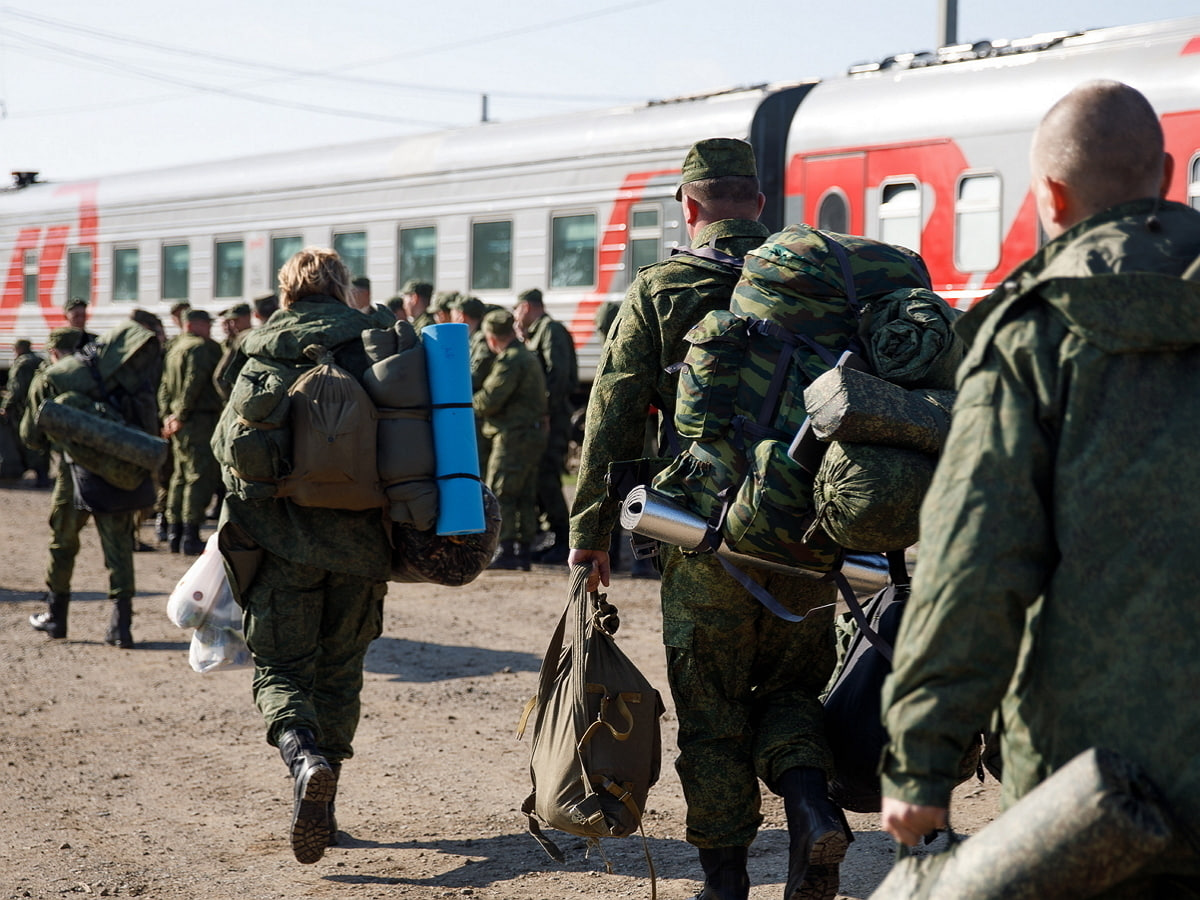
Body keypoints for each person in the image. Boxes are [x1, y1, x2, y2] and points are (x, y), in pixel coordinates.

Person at [878, 81, 1200, 896]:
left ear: (1051, 195)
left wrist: (921, 760)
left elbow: (975, 565)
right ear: (1166, 173)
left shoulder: (1034, 339)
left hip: (1099, 790)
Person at [568, 138, 847, 900]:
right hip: (811, 532)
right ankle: (811, 808)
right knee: (793, 693)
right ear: (759, 205)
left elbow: (614, 418)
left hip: (703, 538)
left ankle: (724, 884)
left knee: (714, 710)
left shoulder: (663, 287)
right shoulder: (822, 283)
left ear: (688, 207)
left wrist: (590, 535)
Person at [214, 247, 395, 864]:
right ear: (342, 288)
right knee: (341, 672)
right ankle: (329, 806)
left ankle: (302, 756)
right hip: (362, 545)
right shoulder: (377, 344)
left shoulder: (262, 349)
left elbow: (227, 452)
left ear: (287, 291)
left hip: (283, 542)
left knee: (283, 670)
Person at [23, 321, 163, 648]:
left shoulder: (53, 379)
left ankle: (56, 618)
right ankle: (120, 627)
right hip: (118, 473)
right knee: (118, 548)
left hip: (74, 475)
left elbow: (31, 437)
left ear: (54, 352)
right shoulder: (121, 375)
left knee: (63, 542)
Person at [473, 309, 547, 571]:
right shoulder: (525, 355)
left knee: (500, 491)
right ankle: (522, 550)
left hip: (513, 435)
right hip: (530, 433)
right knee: (524, 493)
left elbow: (489, 400)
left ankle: (504, 549)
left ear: (492, 338)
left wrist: (464, 403)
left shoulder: (511, 360)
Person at [514, 287, 578, 564]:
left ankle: (563, 538)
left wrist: (546, 412)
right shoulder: (536, 332)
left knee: (548, 476)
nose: (516, 315)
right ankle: (555, 534)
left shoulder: (550, 330)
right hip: (543, 416)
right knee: (541, 475)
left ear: (526, 307)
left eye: (517, 309)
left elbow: (558, 375)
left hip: (552, 416)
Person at [158, 308, 223, 555]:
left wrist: (168, 416)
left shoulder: (175, 348)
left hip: (178, 422)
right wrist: (182, 415)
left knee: (180, 476)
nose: (210, 329)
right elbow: (193, 383)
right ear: (196, 325)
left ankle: (174, 532)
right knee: (199, 476)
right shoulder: (202, 347)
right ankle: (190, 534)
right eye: (208, 324)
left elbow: (164, 386)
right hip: (198, 420)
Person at [1, 339, 51, 486]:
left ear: (19, 349)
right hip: (42, 406)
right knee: (42, 442)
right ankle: (43, 477)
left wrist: (6, 406)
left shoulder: (21, 364)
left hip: (24, 409)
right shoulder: (40, 360)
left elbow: (16, 390)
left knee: (27, 440)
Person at [213, 302, 253, 400]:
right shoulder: (234, 341)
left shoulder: (243, 339)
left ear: (248, 317)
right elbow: (220, 377)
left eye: (236, 320)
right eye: (231, 322)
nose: (233, 325)